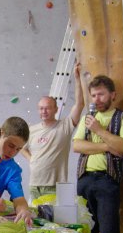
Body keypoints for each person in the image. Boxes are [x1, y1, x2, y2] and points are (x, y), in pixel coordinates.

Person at [73, 75, 123, 233]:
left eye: (101, 94)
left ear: (113, 95)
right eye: (93, 95)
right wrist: (108, 146)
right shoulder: (87, 118)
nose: (96, 99)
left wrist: (99, 130)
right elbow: (77, 146)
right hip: (84, 180)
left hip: (108, 181)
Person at [21, 61, 85, 201]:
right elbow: (21, 147)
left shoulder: (65, 126)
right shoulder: (31, 130)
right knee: (35, 215)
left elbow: (80, 104)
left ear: (56, 109)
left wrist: (77, 78)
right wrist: (31, 159)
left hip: (56, 187)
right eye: (41, 108)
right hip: (34, 186)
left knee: (56, 216)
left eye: (48, 108)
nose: (44, 111)